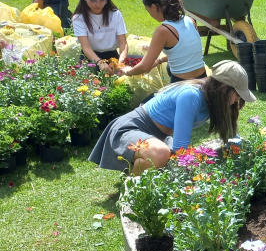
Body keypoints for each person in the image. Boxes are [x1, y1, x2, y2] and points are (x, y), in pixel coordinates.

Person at [89, 61, 255, 174]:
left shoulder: (217, 100)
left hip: (156, 136)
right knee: (162, 154)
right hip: (131, 127)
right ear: (224, 88)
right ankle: (133, 188)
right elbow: (181, 148)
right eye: (237, 94)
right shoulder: (191, 95)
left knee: (165, 155)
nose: (237, 100)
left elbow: (232, 136)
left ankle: (140, 170)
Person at [121, 0, 206, 84]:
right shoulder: (190, 20)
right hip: (203, 80)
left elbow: (145, 66)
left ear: (154, 7)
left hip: (182, 85)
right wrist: (159, 60)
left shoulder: (163, 31)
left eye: (148, 10)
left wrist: (128, 71)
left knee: (147, 100)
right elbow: (184, 53)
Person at [72, 0, 128, 72]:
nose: (98, 4)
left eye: (102, 0)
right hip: (90, 58)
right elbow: (86, 48)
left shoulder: (115, 14)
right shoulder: (79, 18)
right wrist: (100, 63)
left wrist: (121, 62)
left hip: (112, 57)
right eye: (92, 0)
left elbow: (123, 44)